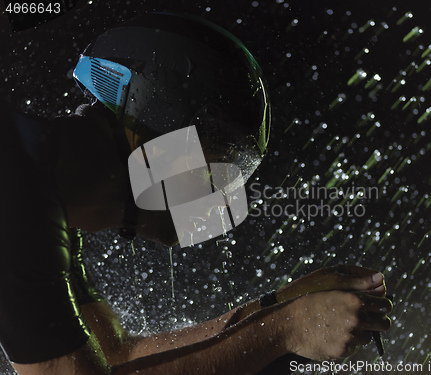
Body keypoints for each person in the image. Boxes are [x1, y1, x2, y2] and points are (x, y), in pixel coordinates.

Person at [0, 12, 392, 375]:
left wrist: (280, 305)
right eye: (215, 167)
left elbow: (117, 356)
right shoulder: (15, 186)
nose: (218, 197)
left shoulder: (40, 196)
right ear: (154, 138)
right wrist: (284, 329)